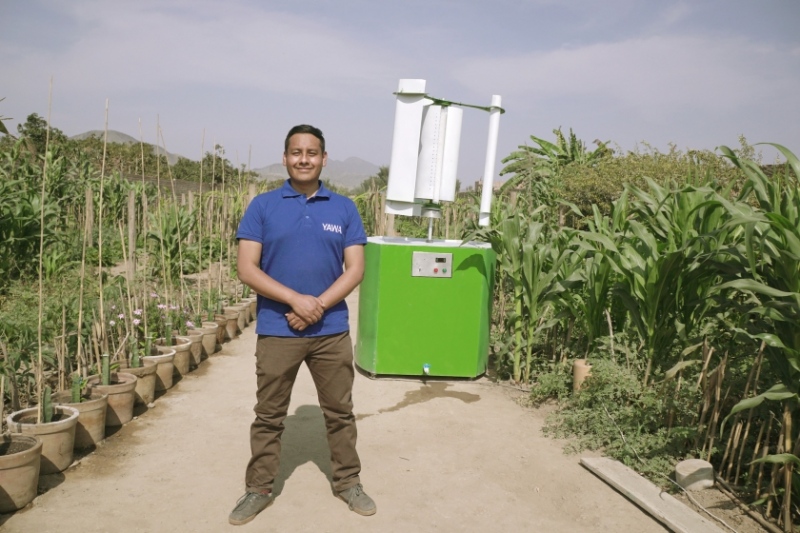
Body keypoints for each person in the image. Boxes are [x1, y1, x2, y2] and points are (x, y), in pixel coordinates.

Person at [229, 124, 375, 526]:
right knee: (269, 415)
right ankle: (258, 488)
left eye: (312, 152)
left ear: (324, 159)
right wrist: (294, 300)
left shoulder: (343, 208)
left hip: (331, 332)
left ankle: (348, 483)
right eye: (297, 152)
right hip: (278, 328)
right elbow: (246, 268)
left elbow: (356, 268)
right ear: (285, 157)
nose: (304, 159)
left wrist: (318, 305)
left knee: (340, 412)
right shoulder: (263, 206)